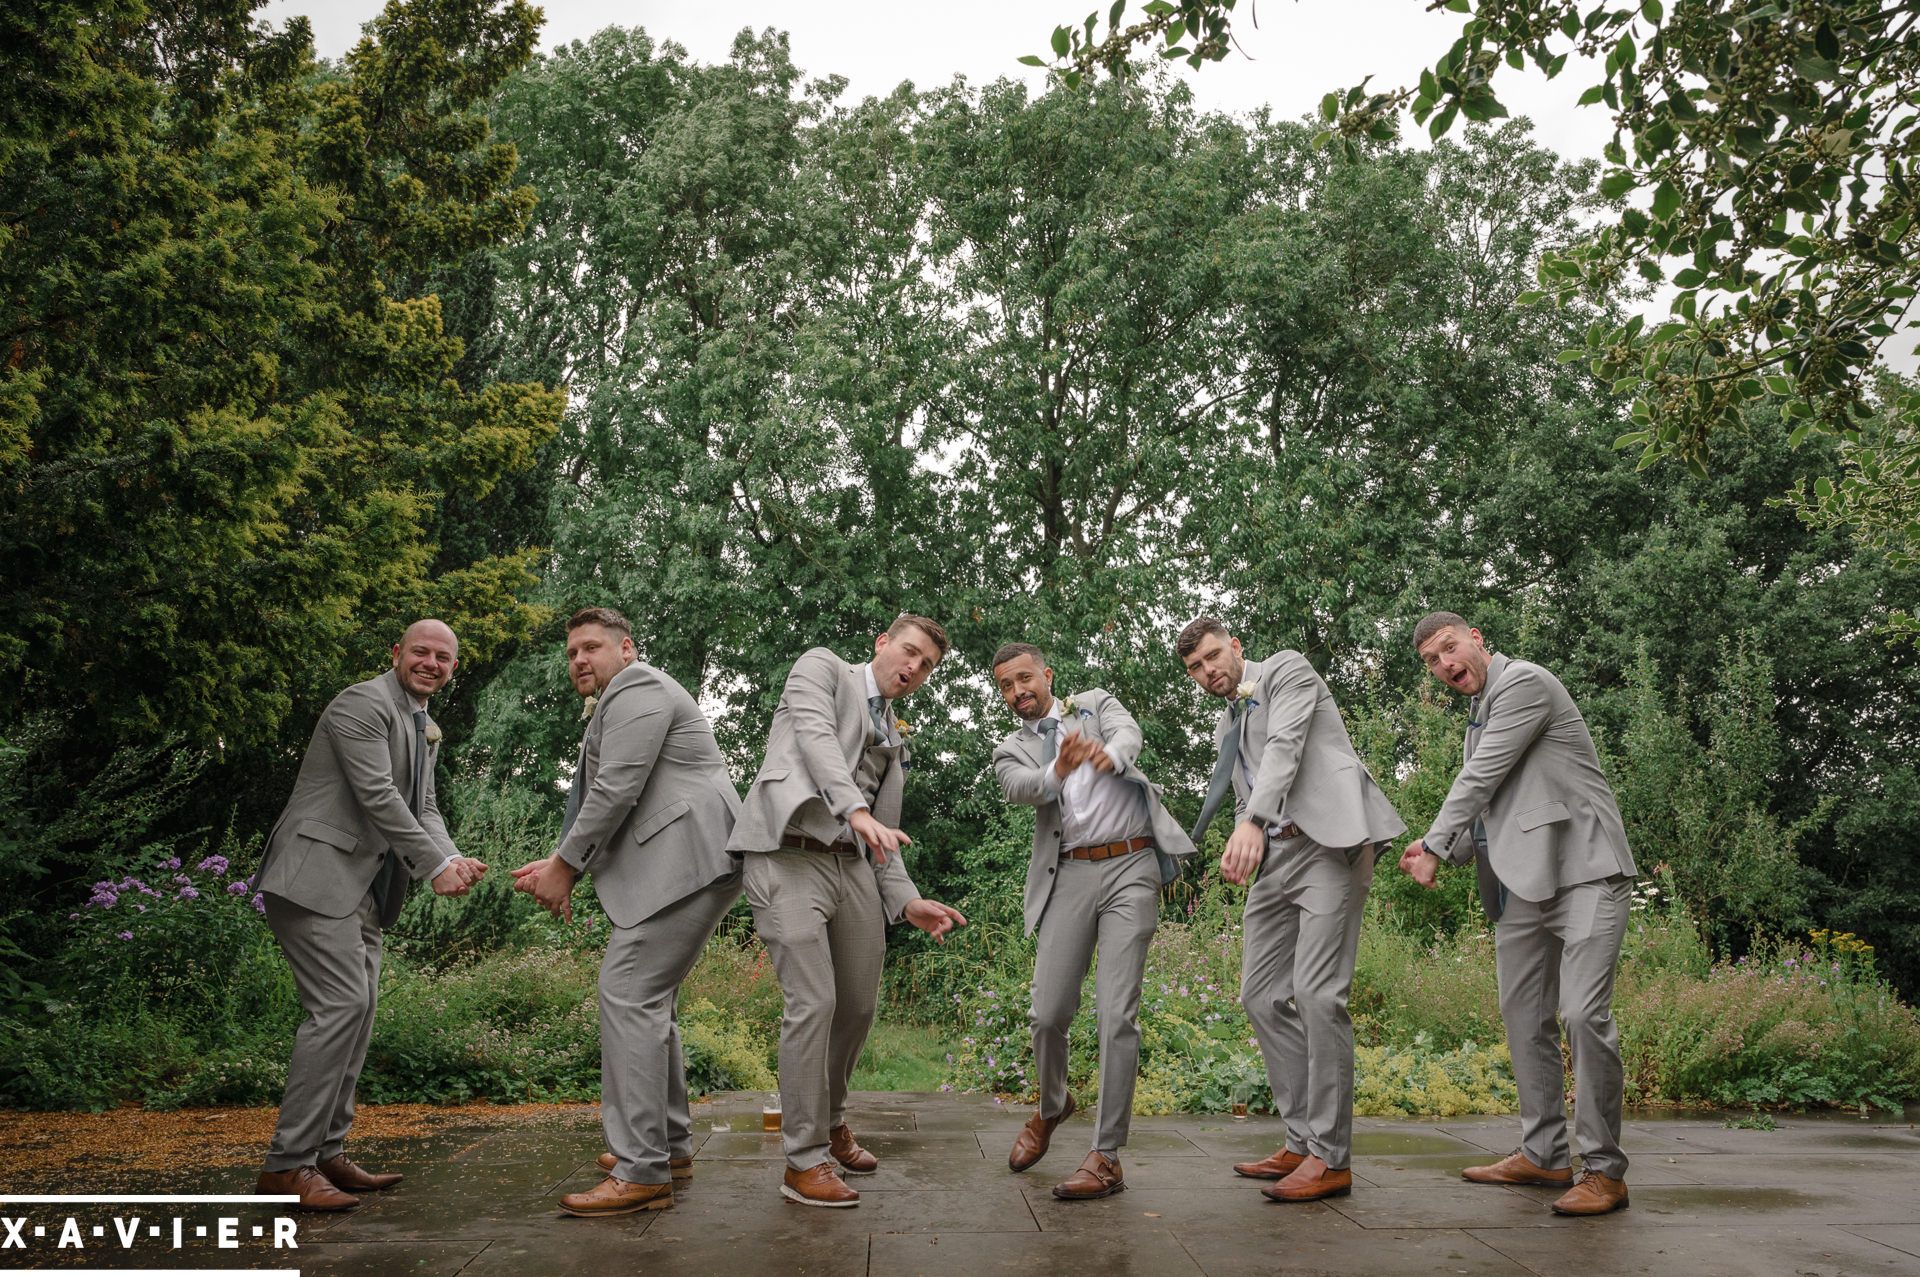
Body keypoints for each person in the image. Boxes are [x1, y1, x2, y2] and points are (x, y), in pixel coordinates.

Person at [1399, 611, 1637, 1217]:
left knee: (1583, 1014)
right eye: (1433, 661)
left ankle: (1604, 1172)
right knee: (1524, 1017)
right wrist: (1436, 847)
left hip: (1585, 870)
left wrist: (1431, 843)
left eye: (1450, 649)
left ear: (1477, 639)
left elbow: (1482, 777)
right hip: (1524, 884)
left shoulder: (1526, 683)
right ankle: (1544, 1155)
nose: (1446, 665)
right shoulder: (1477, 722)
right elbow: (1488, 802)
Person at [729, 616, 969, 1208]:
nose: (913, 669)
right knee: (814, 1001)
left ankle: (832, 1121)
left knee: (858, 1005)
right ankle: (803, 1159)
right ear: (882, 644)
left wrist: (906, 899)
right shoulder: (822, 667)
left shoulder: (895, 732)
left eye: (927, 666)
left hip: (852, 867)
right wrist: (853, 808)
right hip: (786, 854)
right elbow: (814, 740)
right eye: (908, 652)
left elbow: (885, 833)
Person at [511, 608, 744, 1216]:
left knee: (627, 994)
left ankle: (642, 1170)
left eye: (591, 647)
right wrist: (559, 863)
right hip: (691, 863)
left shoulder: (638, 686)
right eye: (571, 654)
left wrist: (566, 867)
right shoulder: (626, 696)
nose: (580, 661)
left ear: (627, 648)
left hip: (685, 862)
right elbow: (599, 792)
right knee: (650, 1003)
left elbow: (618, 786)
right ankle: (665, 1147)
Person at [252, 620, 487, 1210]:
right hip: (314, 875)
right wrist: (433, 867)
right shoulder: (362, 703)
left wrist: (452, 856)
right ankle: (286, 1167)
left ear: (453, 668)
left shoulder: (421, 723)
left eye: (443, 657)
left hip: (361, 888)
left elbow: (423, 805)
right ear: (396, 655)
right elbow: (377, 794)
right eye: (420, 652)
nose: (431, 663)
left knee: (359, 1012)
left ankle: (325, 1153)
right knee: (340, 1005)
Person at [1180, 617, 1404, 1203]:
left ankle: (1332, 1158)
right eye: (1196, 669)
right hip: (1275, 859)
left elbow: (1286, 746)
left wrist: (1254, 819)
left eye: (1212, 658)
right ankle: (1301, 1139)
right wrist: (1242, 831)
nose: (1208, 673)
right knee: (1259, 994)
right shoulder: (1230, 721)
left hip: (1328, 845)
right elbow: (1242, 790)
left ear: (1236, 647)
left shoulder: (1286, 670)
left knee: (1318, 994)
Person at [989, 641, 1196, 1200]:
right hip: (1071, 876)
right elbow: (1021, 789)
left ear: (1047, 675)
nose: (1018, 693)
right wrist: (1057, 769)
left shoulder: (1095, 703)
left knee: (1115, 1013)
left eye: (1024, 679)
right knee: (1048, 1012)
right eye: (1006, 686)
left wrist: (1112, 755)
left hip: (1131, 864)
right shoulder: (1010, 748)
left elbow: (1130, 734)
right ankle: (1053, 1105)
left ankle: (1106, 1155)